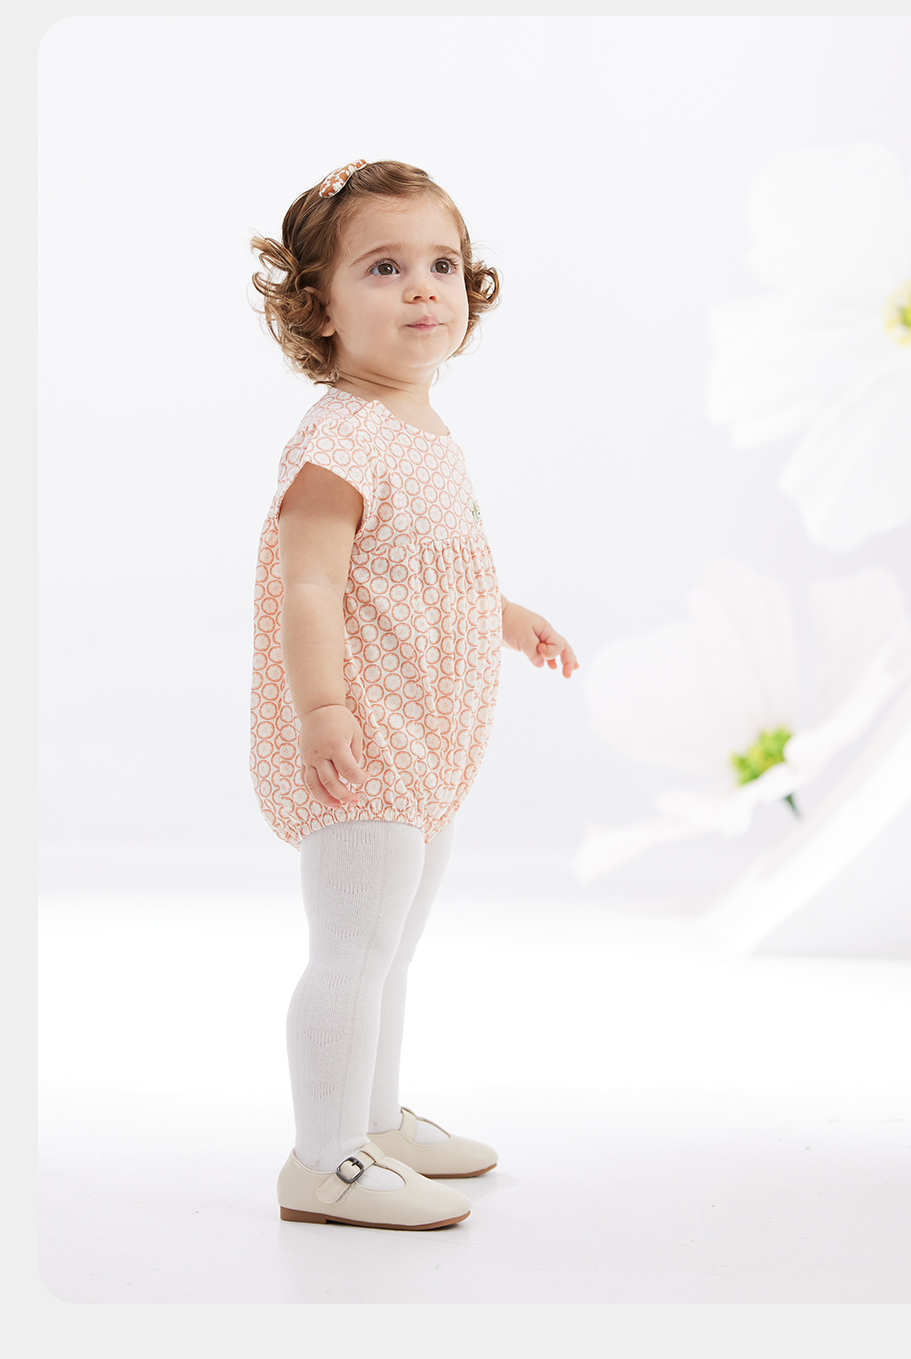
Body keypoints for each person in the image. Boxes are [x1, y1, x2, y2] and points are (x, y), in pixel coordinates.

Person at [249, 159, 579, 1231]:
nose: (424, 287)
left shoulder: (418, 429)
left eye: (442, 264)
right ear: (320, 308)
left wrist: (507, 616)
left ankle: (373, 1121)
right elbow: (311, 586)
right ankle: (323, 1159)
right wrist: (322, 710)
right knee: (353, 950)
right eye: (384, 267)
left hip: (432, 741)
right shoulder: (340, 439)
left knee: (390, 946)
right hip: (370, 736)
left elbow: (424, 567)